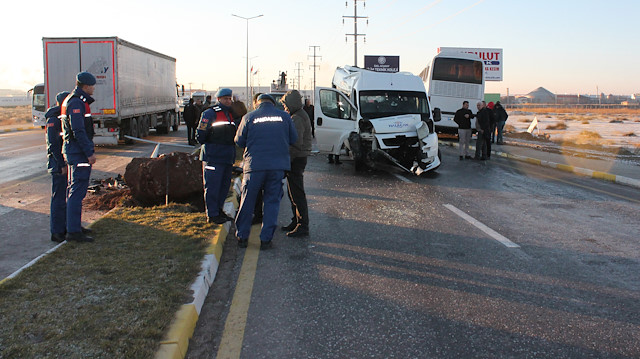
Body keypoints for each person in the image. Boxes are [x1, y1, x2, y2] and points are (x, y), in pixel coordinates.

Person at [234, 94, 297, 250]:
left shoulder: (249, 117)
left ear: (257, 103)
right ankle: (266, 240)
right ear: (273, 103)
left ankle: (242, 236)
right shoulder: (284, 117)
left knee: (247, 201)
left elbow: (239, 140)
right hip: (276, 167)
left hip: (254, 167)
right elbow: (293, 139)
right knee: (272, 202)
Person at [61, 72, 97, 242]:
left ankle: (74, 226)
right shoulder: (76, 103)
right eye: (92, 86)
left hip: (74, 151)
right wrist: (89, 152)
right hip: (78, 153)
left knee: (75, 190)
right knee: (77, 191)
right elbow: (78, 131)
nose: (93, 88)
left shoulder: (73, 100)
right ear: (86, 86)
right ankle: (73, 232)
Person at [196, 88, 237, 224]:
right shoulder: (210, 113)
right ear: (218, 99)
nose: (228, 101)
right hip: (213, 157)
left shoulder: (230, 114)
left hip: (226, 157)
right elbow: (201, 134)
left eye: (229, 98)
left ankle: (219, 211)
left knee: (224, 187)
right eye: (225, 98)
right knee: (213, 187)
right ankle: (212, 214)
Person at [281, 90, 313, 237]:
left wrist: (286, 160)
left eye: (285, 105)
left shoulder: (297, 118)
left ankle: (302, 225)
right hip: (298, 157)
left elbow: (295, 143)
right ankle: (296, 221)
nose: (284, 108)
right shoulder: (298, 115)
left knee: (296, 192)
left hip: (296, 159)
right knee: (292, 191)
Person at [45, 91, 70, 243]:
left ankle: (64, 227)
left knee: (64, 198)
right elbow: (54, 145)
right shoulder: (53, 120)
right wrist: (61, 164)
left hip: (61, 163)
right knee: (58, 199)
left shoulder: (60, 117)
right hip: (57, 165)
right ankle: (56, 232)